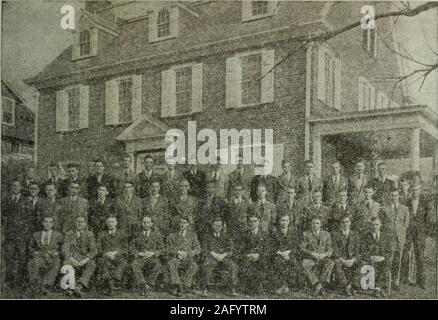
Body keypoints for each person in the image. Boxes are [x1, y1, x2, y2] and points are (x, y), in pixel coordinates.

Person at [2, 180, 34, 292]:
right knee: (9, 259)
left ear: (21, 187)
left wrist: (26, 235)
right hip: (9, 236)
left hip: (22, 236)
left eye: (18, 186)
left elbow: (30, 219)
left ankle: (22, 283)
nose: (15, 187)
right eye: (13, 185)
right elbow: (2, 217)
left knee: (22, 259)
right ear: (11, 187)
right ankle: (9, 283)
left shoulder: (26, 201)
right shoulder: (5, 200)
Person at [401, 183, 433, 289]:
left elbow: (428, 219)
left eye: (417, 190)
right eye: (413, 190)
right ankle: (404, 278)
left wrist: (426, 232)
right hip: (408, 232)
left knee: (420, 256)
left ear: (420, 191)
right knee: (406, 254)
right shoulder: (407, 202)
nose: (415, 192)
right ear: (411, 191)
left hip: (420, 233)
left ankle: (421, 281)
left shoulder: (425, 202)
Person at [200, 217, 238, 296]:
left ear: (222, 226)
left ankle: (232, 288)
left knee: (232, 265)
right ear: (212, 225)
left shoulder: (226, 236)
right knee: (207, 264)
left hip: (223, 257)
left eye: (219, 226)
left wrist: (223, 255)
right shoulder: (207, 236)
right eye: (215, 225)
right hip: (211, 257)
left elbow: (231, 248)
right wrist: (213, 254)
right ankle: (205, 288)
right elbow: (204, 249)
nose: (218, 227)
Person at [380, 189, 410, 291]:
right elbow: (382, 225)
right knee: (389, 260)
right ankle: (386, 281)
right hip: (389, 239)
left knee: (398, 261)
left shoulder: (405, 208)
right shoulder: (384, 209)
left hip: (400, 239)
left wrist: (401, 235)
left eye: (396, 195)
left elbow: (406, 224)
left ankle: (395, 282)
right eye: (392, 195)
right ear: (389, 197)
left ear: (399, 196)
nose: (394, 197)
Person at [165, 215, 201, 297]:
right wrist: (177, 253)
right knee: (171, 263)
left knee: (194, 266)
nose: (182, 224)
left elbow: (198, 249)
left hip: (187, 259)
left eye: (184, 223)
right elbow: (167, 248)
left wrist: (188, 254)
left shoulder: (193, 235)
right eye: (180, 222)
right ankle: (178, 286)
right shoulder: (172, 236)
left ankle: (185, 285)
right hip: (176, 258)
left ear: (188, 224)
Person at [62, 216, 97, 297]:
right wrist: (72, 259)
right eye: (78, 221)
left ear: (85, 224)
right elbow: (65, 249)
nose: (79, 223)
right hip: (72, 257)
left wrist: (85, 260)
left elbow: (94, 250)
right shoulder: (69, 233)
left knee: (92, 263)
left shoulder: (89, 234)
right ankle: (72, 287)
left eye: (82, 222)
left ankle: (80, 286)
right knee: (66, 264)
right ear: (75, 223)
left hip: (84, 258)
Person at [27, 216, 63, 296]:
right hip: (40, 256)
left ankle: (46, 286)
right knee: (33, 262)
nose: (47, 224)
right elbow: (30, 247)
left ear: (52, 224)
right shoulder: (36, 234)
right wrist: (34, 252)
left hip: (52, 256)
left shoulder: (58, 235)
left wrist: (57, 253)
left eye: (50, 222)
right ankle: (36, 286)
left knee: (56, 262)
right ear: (42, 223)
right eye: (46, 221)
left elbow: (62, 248)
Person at [130, 215, 164, 296]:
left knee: (158, 265)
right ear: (141, 223)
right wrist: (139, 253)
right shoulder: (136, 234)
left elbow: (162, 249)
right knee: (134, 264)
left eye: (148, 222)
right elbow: (131, 249)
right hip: (141, 258)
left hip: (152, 258)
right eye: (144, 222)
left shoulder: (157, 234)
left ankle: (148, 284)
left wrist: (153, 253)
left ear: (151, 224)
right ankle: (143, 285)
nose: (146, 224)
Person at [300, 217, 334, 296]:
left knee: (330, 263)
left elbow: (330, 249)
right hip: (311, 258)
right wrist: (312, 253)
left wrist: (324, 254)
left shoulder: (326, 234)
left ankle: (319, 286)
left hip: (322, 258)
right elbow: (302, 248)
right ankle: (318, 285)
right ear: (311, 224)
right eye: (313, 223)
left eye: (317, 223)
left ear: (321, 224)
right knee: (304, 264)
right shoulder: (305, 234)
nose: (315, 225)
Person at [97, 215, 129, 295]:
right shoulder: (102, 234)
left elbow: (125, 248)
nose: (110, 224)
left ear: (116, 223)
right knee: (101, 262)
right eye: (109, 222)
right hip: (105, 257)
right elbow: (98, 247)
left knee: (123, 262)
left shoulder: (122, 234)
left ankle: (113, 282)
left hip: (117, 257)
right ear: (106, 223)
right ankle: (110, 284)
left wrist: (115, 253)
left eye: (112, 222)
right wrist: (106, 253)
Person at [360, 216, 392, 297]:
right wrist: (370, 257)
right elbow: (362, 251)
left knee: (387, 263)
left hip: (382, 259)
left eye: (377, 224)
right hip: (371, 259)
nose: (375, 227)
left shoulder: (386, 236)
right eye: (373, 225)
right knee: (371, 264)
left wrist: (383, 257)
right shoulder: (365, 236)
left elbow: (389, 251)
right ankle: (379, 288)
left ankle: (377, 287)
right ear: (370, 226)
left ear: (380, 225)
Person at [269, 213, 300, 295]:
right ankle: (283, 285)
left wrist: (288, 252)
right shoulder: (274, 233)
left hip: (290, 254)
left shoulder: (293, 233)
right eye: (282, 220)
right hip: (278, 254)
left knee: (294, 262)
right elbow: (271, 246)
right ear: (279, 221)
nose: (284, 222)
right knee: (278, 261)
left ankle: (287, 285)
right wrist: (280, 253)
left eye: (286, 220)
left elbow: (296, 246)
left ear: (289, 221)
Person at [239, 214, 269, 295]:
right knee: (246, 265)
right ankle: (249, 289)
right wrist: (248, 255)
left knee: (262, 265)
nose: (252, 223)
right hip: (248, 257)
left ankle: (258, 287)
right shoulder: (244, 234)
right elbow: (241, 249)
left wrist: (259, 255)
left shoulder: (264, 234)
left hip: (260, 257)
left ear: (259, 222)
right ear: (248, 223)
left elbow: (267, 248)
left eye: (255, 221)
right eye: (250, 221)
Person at [331, 215, 361, 296]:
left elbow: (357, 250)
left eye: (347, 222)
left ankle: (351, 285)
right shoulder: (335, 234)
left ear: (350, 223)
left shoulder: (355, 234)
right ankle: (347, 286)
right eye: (343, 222)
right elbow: (335, 250)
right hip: (341, 259)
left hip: (352, 259)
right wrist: (343, 260)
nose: (345, 224)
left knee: (362, 263)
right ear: (340, 224)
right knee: (336, 263)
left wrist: (353, 260)